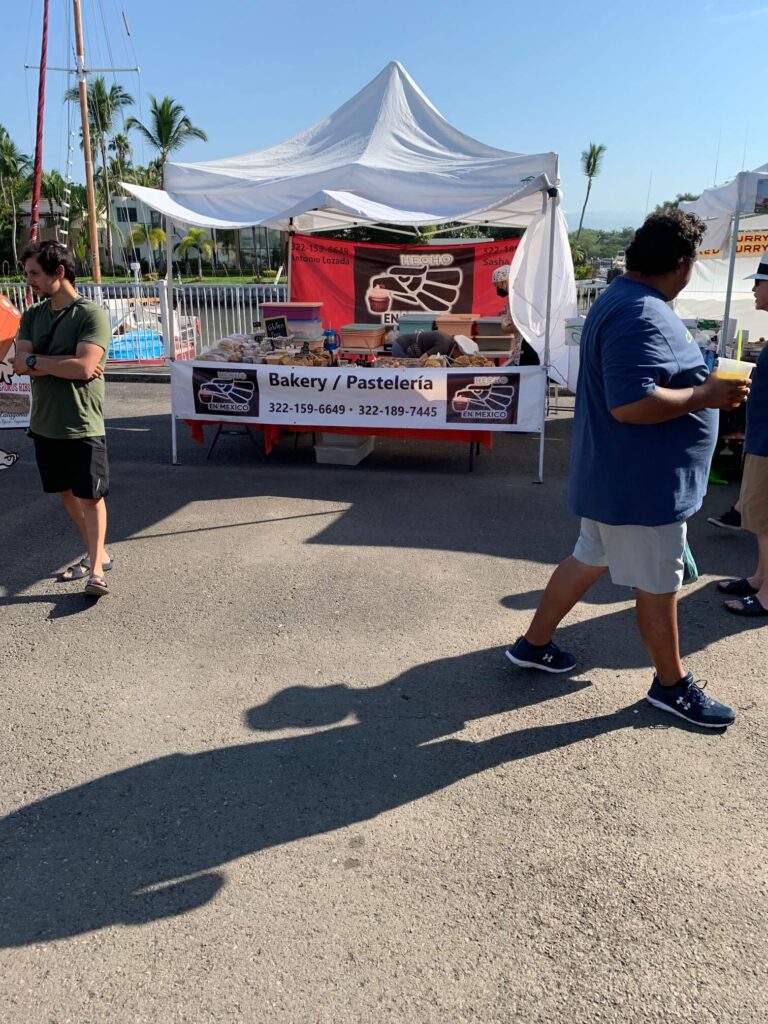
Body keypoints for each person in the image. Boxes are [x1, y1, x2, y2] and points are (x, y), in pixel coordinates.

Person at [505, 210, 750, 729]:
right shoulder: (639, 312)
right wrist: (705, 395)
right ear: (682, 264)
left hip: (620, 480)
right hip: (642, 487)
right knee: (660, 584)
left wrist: (703, 398)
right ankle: (670, 686)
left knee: (587, 557)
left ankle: (533, 644)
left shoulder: (626, 300)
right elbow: (631, 404)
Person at [12, 241, 113, 598]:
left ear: (59, 272)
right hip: (45, 423)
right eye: (27, 274)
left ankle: (97, 569)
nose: (29, 281)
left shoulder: (90, 315)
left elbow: (85, 367)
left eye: (35, 273)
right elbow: (19, 363)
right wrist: (60, 364)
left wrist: (39, 361)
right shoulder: (33, 316)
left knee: (91, 497)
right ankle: (97, 552)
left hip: (82, 422)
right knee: (66, 493)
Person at [718, 254, 768, 616]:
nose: (753, 288)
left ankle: (767, 594)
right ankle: (760, 578)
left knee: (765, 518)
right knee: (758, 516)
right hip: (761, 438)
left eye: (759, 281)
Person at [491, 264, 540, 366]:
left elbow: (519, 325)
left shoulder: (518, 297)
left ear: (505, 281)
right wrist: (507, 310)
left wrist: (504, 326)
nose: (499, 290)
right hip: (526, 343)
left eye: (499, 286)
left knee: (526, 376)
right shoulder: (521, 293)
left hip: (527, 344)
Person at [390, 330, 477, 360]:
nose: (459, 358)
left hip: (410, 349)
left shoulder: (449, 342)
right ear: (457, 348)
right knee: (406, 372)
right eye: (461, 355)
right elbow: (422, 360)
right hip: (401, 347)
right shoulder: (443, 346)